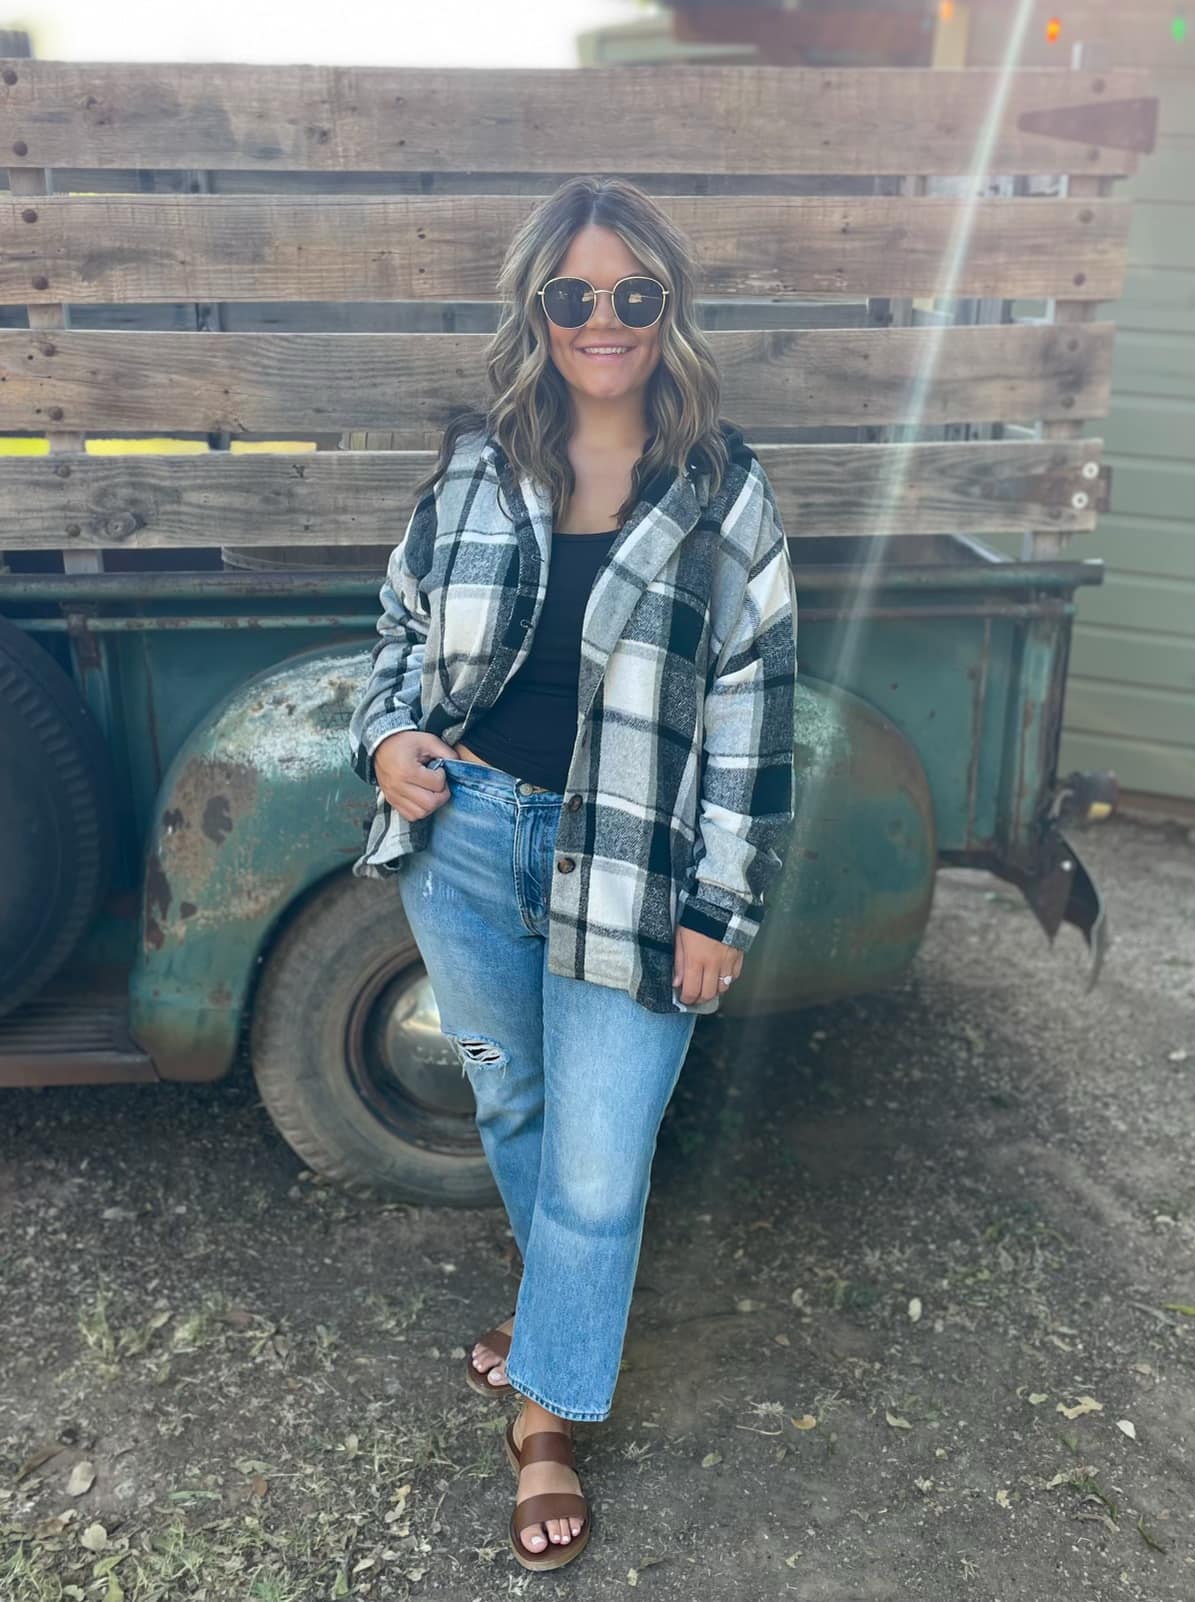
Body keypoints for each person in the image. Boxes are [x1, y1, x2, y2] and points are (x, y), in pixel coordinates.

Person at [347, 174, 798, 1571]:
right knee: (517, 1103)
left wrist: (722, 904)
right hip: (471, 837)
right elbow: (397, 633)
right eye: (574, 294)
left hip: (634, 866)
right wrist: (387, 741)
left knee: (599, 1162)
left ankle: (542, 1418)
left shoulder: (723, 492)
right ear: (536, 311)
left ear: (669, 310)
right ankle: (553, 1322)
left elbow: (754, 707)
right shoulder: (476, 468)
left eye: (632, 293)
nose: (604, 319)